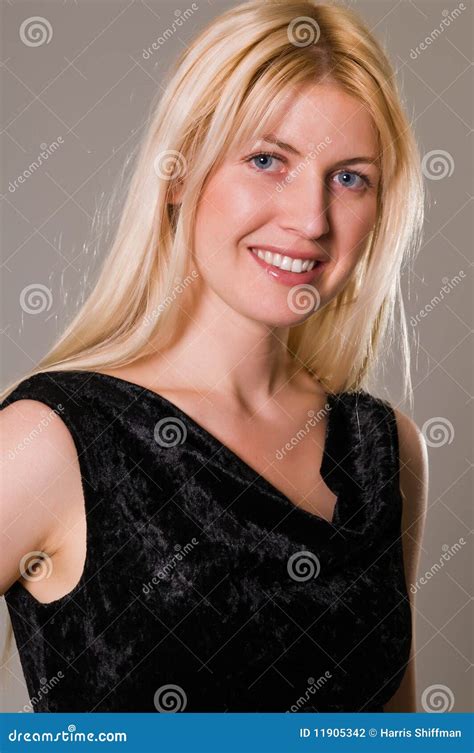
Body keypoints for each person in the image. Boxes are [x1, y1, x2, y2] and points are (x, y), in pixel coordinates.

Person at [1, 0, 428, 713]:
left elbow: (395, 727)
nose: (312, 219)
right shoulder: (48, 440)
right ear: (177, 173)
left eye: (350, 177)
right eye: (267, 161)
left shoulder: (385, 450)